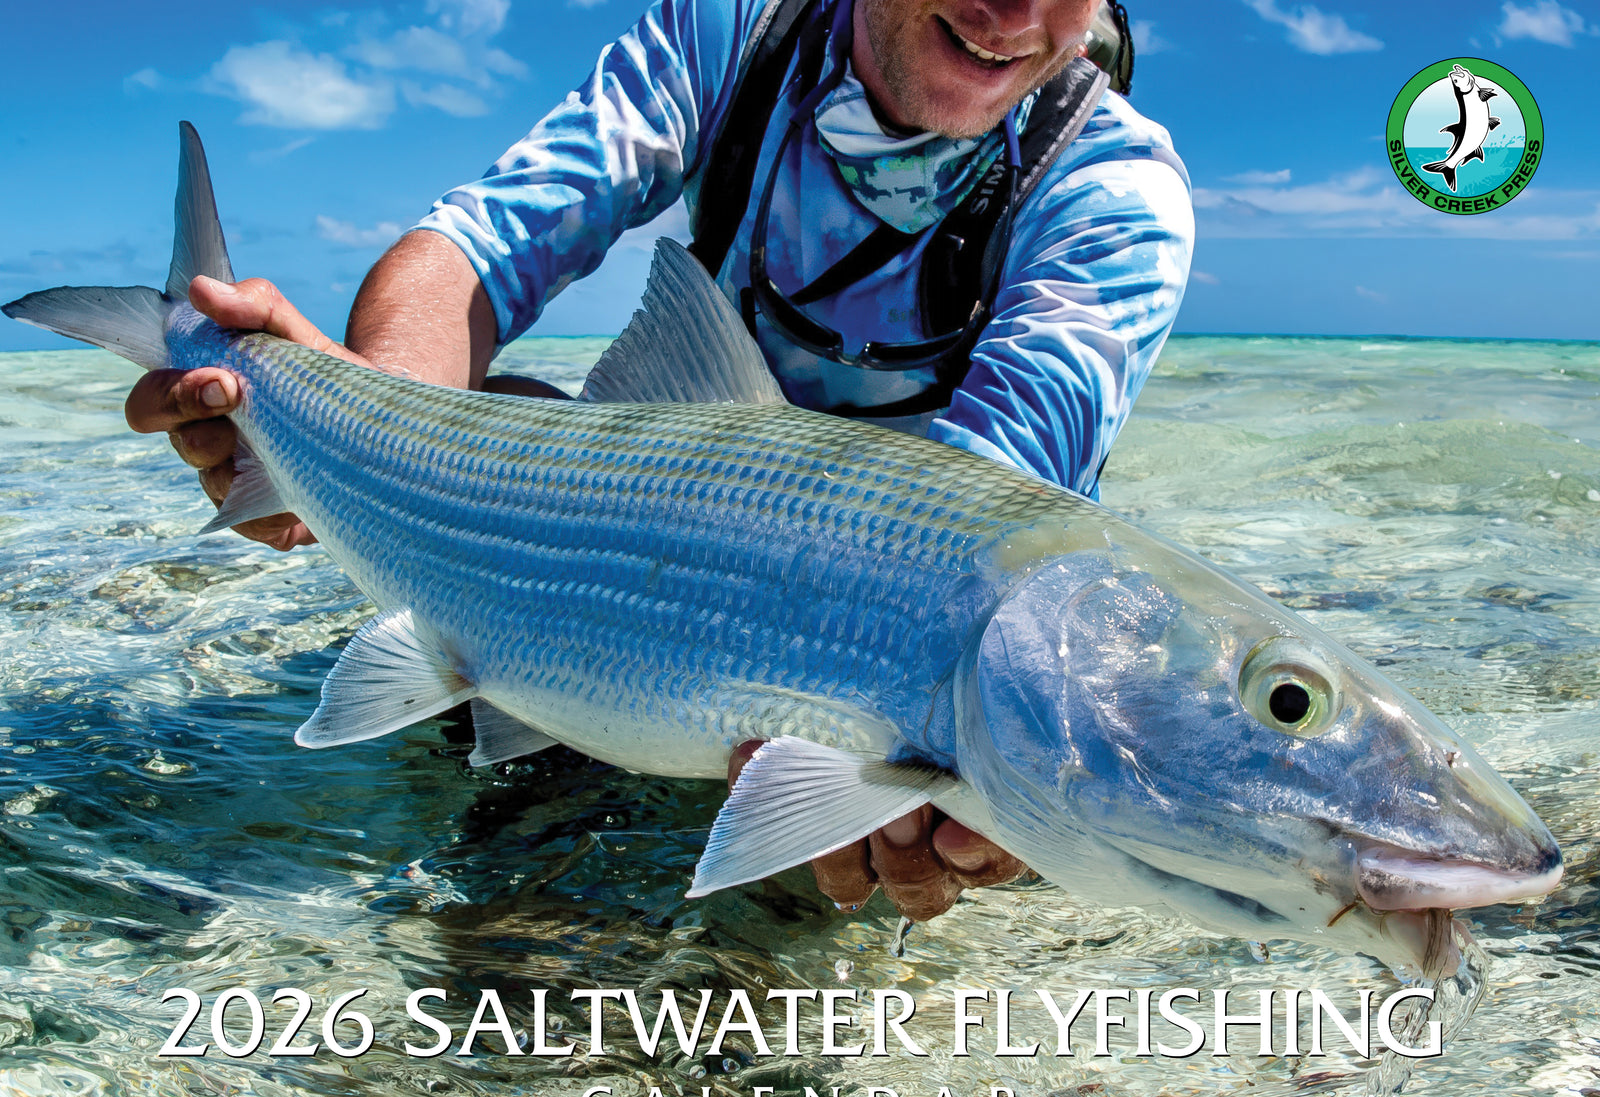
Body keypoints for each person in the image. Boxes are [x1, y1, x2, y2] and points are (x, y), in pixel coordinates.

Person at [124, 0, 1193, 924]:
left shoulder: (1115, 189)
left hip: (877, 595)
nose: (1011, 15)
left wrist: (966, 750)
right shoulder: (735, 31)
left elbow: (984, 511)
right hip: (665, 497)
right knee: (510, 902)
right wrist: (360, 444)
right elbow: (486, 245)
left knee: (941, 825)